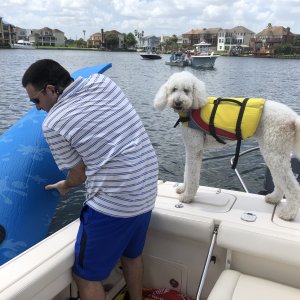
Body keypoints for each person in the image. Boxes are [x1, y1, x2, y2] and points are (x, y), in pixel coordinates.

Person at [22, 59, 158, 300]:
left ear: (51, 90)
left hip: (115, 202)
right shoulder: (102, 82)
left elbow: (79, 174)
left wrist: (65, 185)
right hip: (146, 188)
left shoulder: (53, 123)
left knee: (86, 277)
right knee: (131, 255)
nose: (37, 108)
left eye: (36, 100)